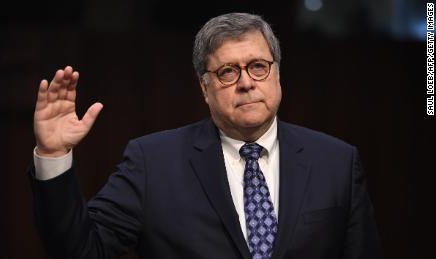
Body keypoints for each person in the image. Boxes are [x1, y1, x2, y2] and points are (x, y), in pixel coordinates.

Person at [30, 13, 383, 259]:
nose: (246, 82)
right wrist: (53, 154)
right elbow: (81, 250)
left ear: (277, 74)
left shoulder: (337, 162)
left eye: (258, 66)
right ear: (205, 87)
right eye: (228, 71)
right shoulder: (152, 163)